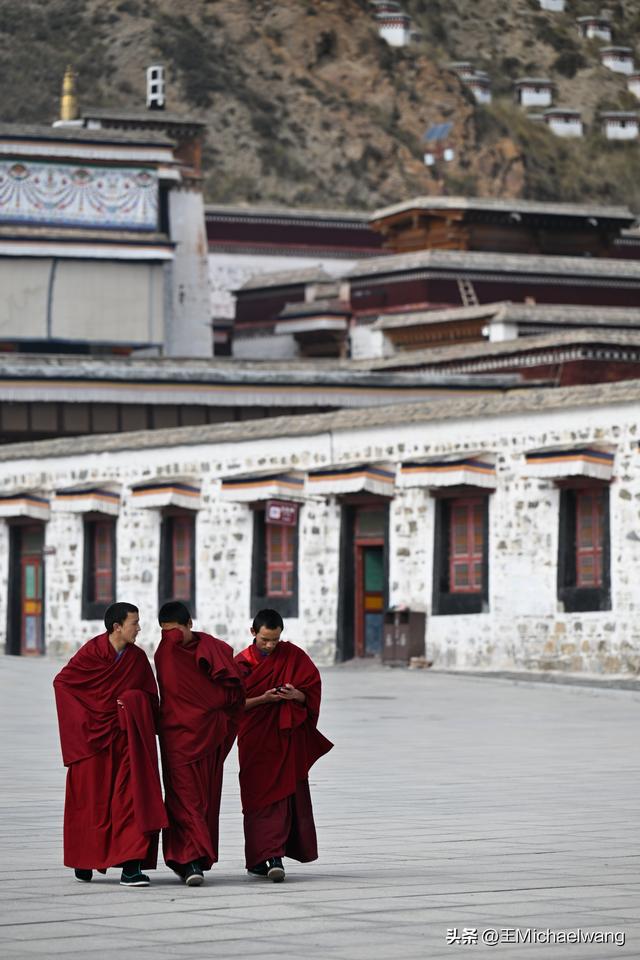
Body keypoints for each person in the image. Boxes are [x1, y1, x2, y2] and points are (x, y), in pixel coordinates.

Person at [53, 602, 167, 887]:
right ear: (117, 627)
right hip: (93, 742)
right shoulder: (91, 654)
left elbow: (151, 700)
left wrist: (131, 705)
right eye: (135, 623)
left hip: (126, 740)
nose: (139, 628)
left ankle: (131, 866)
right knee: (91, 802)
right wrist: (88, 722)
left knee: (131, 799)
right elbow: (63, 684)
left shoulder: (138, 659)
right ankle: (85, 857)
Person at [235, 608, 333, 883]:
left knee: (281, 796)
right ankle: (258, 859)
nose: (270, 645)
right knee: (257, 798)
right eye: (265, 639)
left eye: (275, 640)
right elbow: (233, 705)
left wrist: (296, 694)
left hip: (283, 740)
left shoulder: (293, 656)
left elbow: (310, 693)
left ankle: (274, 856)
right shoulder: (240, 664)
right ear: (253, 633)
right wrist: (264, 699)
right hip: (255, 740)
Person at [155, 601, 245, 886]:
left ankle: (196, 858)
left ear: (189, 625)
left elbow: (229, 689)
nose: (170, 637)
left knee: (205, 799)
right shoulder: (165, 654)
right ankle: (188, 859)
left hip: (209, 735)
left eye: (175, 631)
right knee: (184, 799)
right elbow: (179, 695)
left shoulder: (212, 648)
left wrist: (218, 705)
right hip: (178, 738)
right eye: (164, 632)